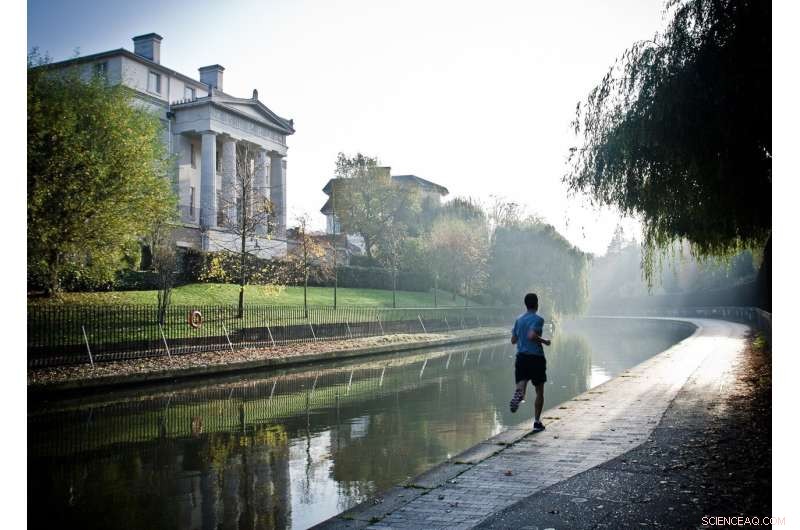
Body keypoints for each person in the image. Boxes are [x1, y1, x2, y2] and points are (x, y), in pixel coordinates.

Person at [509, 292, 551, 432]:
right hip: (536, 358)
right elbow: (532, 335)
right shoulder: (538, 319)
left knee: (522, 384)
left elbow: (513, 340)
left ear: (525, 304)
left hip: (521, 357)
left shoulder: (518, 319)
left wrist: (522, 337)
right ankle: (537, 422)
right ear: (537, 304)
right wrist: (544, 341)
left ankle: (519, 394)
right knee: (539, 391)